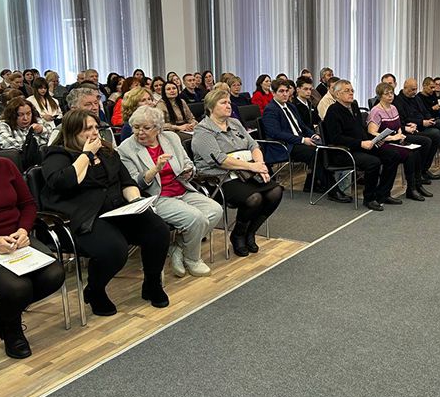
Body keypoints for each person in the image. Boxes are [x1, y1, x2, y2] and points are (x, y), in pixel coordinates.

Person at [41, 110, 171, 316]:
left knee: (158, 230)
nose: (95, 133)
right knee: (114, 250)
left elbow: (126, 182)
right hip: (85, 217)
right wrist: (86, 155)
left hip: (117, 209)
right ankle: (95, 290)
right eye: (87, 129)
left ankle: (152, 284)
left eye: (96, 127)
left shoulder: (107, 151)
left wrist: (136, 202)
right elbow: (64, 181)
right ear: (72, 132)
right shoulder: (57, 155)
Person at [0, 115, 65, 359]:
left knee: (54, 274)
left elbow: (28, 204)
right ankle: (13, 331)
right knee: (18, 288)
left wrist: (23, 230)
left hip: (16, 239)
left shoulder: (5, 165)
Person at [118, 106, 222, 278]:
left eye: (146, 128)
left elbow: (187, 162)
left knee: (215, 210)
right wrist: (155, 169)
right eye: (136, 127)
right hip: (157, 197)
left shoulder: (171, 138)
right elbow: (133, 183)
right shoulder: (126, 149)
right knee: (196, 218)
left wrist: (189, 171)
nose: (140, 132)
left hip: (182, 189)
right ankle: (192, 259)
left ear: (158, 128)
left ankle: (178, 247)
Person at [191, 89, 283, 256]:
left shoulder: (234, 123)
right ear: (211, 107)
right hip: (218, 178)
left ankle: (250, 231)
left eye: (229, 102)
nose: (229, 106)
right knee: (254, 198)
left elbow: (253, 145)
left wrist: (260, 165)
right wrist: (252, 167)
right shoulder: (203, 130)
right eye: (223, 103)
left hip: (245, 172)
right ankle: (238, 235)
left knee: (275, 192)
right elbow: (220, 159)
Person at [262, 79, 348, 202]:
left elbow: (302, 126)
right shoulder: (270, 109)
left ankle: (315, 184)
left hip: (297, 141)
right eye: (281, 91)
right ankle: (333, 190)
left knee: (324, 148)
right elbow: (276, 133)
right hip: (284, 146)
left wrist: (313, 135)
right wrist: (302, 140)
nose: (285, 94)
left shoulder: (290, 106)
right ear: (274, 93)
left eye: (286, 91)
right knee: (315, 153)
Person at [323, 80, 402, 211]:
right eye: (347, 91)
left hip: (360, 146)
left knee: (393, 155)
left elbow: (360, 129)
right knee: (373, 162)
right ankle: (369, 198)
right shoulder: (333, 111)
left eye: (352, 90)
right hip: (343, 151)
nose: (351, 93)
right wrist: (360, 143)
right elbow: (336, 138)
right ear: (337, 94)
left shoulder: (354, 106)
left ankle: (383, 194)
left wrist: (374, 139)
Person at [368, 82, 432, 202]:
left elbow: (398, 126)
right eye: (387, 94)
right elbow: (372, 133)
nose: (390, 96)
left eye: (391, 93)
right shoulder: (376, 111)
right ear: (380, 96)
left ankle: (416, 185)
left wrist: (400, 134)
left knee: (416, 151)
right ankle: (408, 189)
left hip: (395, 141)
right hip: (382, 144)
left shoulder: (393, 108)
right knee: (409, 155)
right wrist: (392, 138)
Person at [394, 79, 440, 177]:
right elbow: (405, 120)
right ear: (405, 88)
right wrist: (422, 122)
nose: (415, 92)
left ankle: (425, 168)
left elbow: (424, 111)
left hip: (422, 125)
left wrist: (428, 118)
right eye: (412, 89)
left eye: (416, 89)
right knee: (433, 136)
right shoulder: (398, 101)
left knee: (438, 135)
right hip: (411, 129)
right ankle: (420, 171)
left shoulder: (416, 98)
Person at [50, 88, 116, 146]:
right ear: (74, 109)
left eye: (96, 103)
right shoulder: (61, 130)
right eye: (88, 104)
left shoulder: (105, 127)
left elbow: (114, 153)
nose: (95, 108)